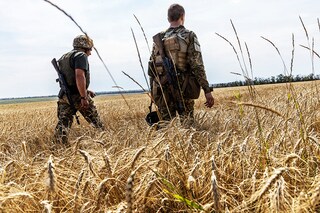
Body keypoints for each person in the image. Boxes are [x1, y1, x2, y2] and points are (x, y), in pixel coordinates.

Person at [148, 4, 214, 126]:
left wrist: (153, 93)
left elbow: (151, 69)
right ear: (183, 16)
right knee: (188, 127)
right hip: (183, 89)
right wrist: (207, 90)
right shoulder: (189, 35)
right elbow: (197, 65)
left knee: (166, 129)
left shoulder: (159, 39)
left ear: (168, 19)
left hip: (162, 91)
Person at [54, 35, 104, 144]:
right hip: (77, 96)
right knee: (98, 125)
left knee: (62, 127)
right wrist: (83, 96)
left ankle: (58, 150)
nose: (90, 53)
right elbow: (79, 76)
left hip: (64, 96)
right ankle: (106, 144)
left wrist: (86, 90)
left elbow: (69, 79)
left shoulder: (64, 57)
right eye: (90, 49)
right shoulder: (81, 55)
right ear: (85, 46)